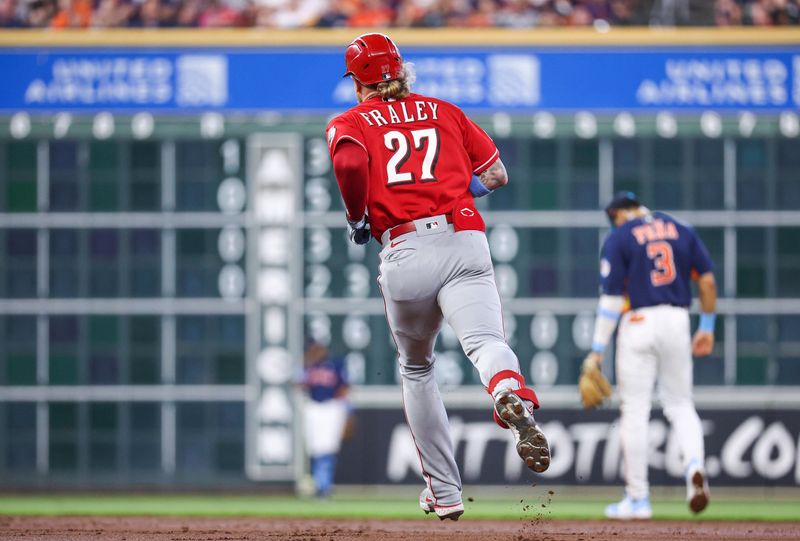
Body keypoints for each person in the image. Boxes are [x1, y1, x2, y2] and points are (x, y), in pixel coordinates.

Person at [325, 33, 550, 521]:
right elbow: (496, 176)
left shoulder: (351, 121)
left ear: (358, 82)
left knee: (417, 369)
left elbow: (346, 160)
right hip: (464, 237)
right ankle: (509, 390)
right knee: (486, 341)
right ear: (402, 70)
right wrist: (453, 188)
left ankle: (445, 493)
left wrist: (357, 216)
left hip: (405, 247)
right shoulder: (445, 111)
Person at [582, 191, 716, 520]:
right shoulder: (682, 230)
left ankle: (638, 499)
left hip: (638, 322)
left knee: (635, 412)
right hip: (677, 319)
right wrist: (707, 326)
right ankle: (695, 469)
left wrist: (597, 351)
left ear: (618, 214)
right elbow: (708, 283)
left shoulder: (621, 236)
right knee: (681, 405)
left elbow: (612, 300)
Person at [301, 340, 351, 498]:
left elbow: (344, 388)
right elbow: (298, 384)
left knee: (328, 449)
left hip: (331, 407)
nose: (316, 351)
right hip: (313, 407)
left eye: (318, 348)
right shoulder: (307, 366)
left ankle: (324, 486)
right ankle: (320, 484)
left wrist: (348, 410)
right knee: (315, 449)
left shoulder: (336, 364)